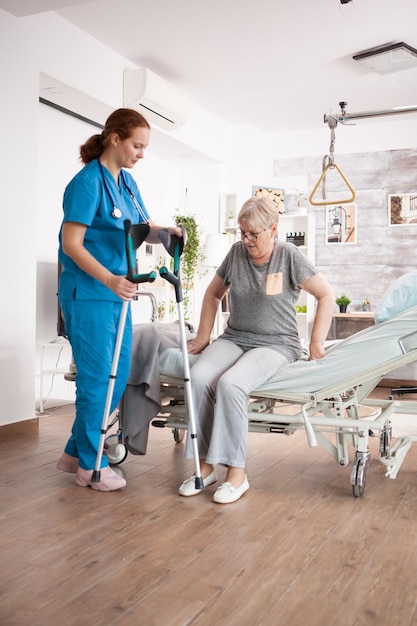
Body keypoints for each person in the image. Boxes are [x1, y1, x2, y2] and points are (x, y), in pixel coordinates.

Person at [56, 108, 184, 491]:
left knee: (117, 376)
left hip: (118, 293)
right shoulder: (86, 183)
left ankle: (72, 453)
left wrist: (166, 233)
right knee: (97, 380)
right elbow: (71, 244)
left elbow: (139, 229)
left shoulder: (127, 183)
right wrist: (111, 278)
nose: (141, 153)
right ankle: (90, 468)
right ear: (115, 138)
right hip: (91, 293)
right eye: (137, 145)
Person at [179, 196, 335, 504]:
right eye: (243, 233)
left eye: (254, 234)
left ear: (273, 229)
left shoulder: (289, 255)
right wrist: (203, 335)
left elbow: (325, 294)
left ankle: (236, 474)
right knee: (199, 377)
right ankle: (205, 466)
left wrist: (316, 341)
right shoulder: (236, 253)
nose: (247, 240)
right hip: (235, 336)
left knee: (231, 383)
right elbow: (212, 293)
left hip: (278, 343)